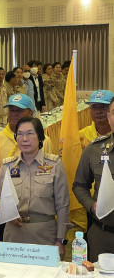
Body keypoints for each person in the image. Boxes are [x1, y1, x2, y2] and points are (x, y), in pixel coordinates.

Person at [0, 117, 70, 260]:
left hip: (45, 234)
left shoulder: (54, 165)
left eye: (30, 133)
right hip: (14, 232)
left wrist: (60, 240)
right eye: (20, 134)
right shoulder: (7, 166)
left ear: (40, 137)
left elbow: (63, 206)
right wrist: (9, 213)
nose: (24, 138)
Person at [73, 96, 114, 262]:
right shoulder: (95, 148)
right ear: (110, 117)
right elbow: (79, 185)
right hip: (103, 236)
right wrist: (91, 206)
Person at [0, 94, 54, 164]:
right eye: (11, 110)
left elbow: (50, 169)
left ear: (31, 113)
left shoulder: (43, 141)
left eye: (19, 111)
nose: (14, 114)